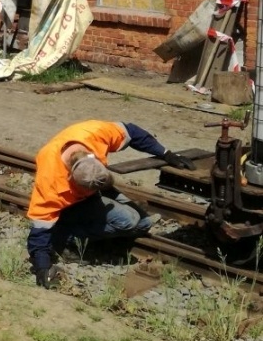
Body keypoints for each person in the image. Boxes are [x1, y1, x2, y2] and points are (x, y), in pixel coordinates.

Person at [27, 120, 193, 288]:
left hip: (93, 192)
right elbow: (39, 229)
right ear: (71, 179)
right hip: (72, 204)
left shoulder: (93, 134)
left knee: (144, 223)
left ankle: (100, 237)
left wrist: (166, 153)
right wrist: (42, 267)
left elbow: (131, 132)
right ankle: (64, 237)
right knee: (128, 221)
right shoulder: (51, 180)